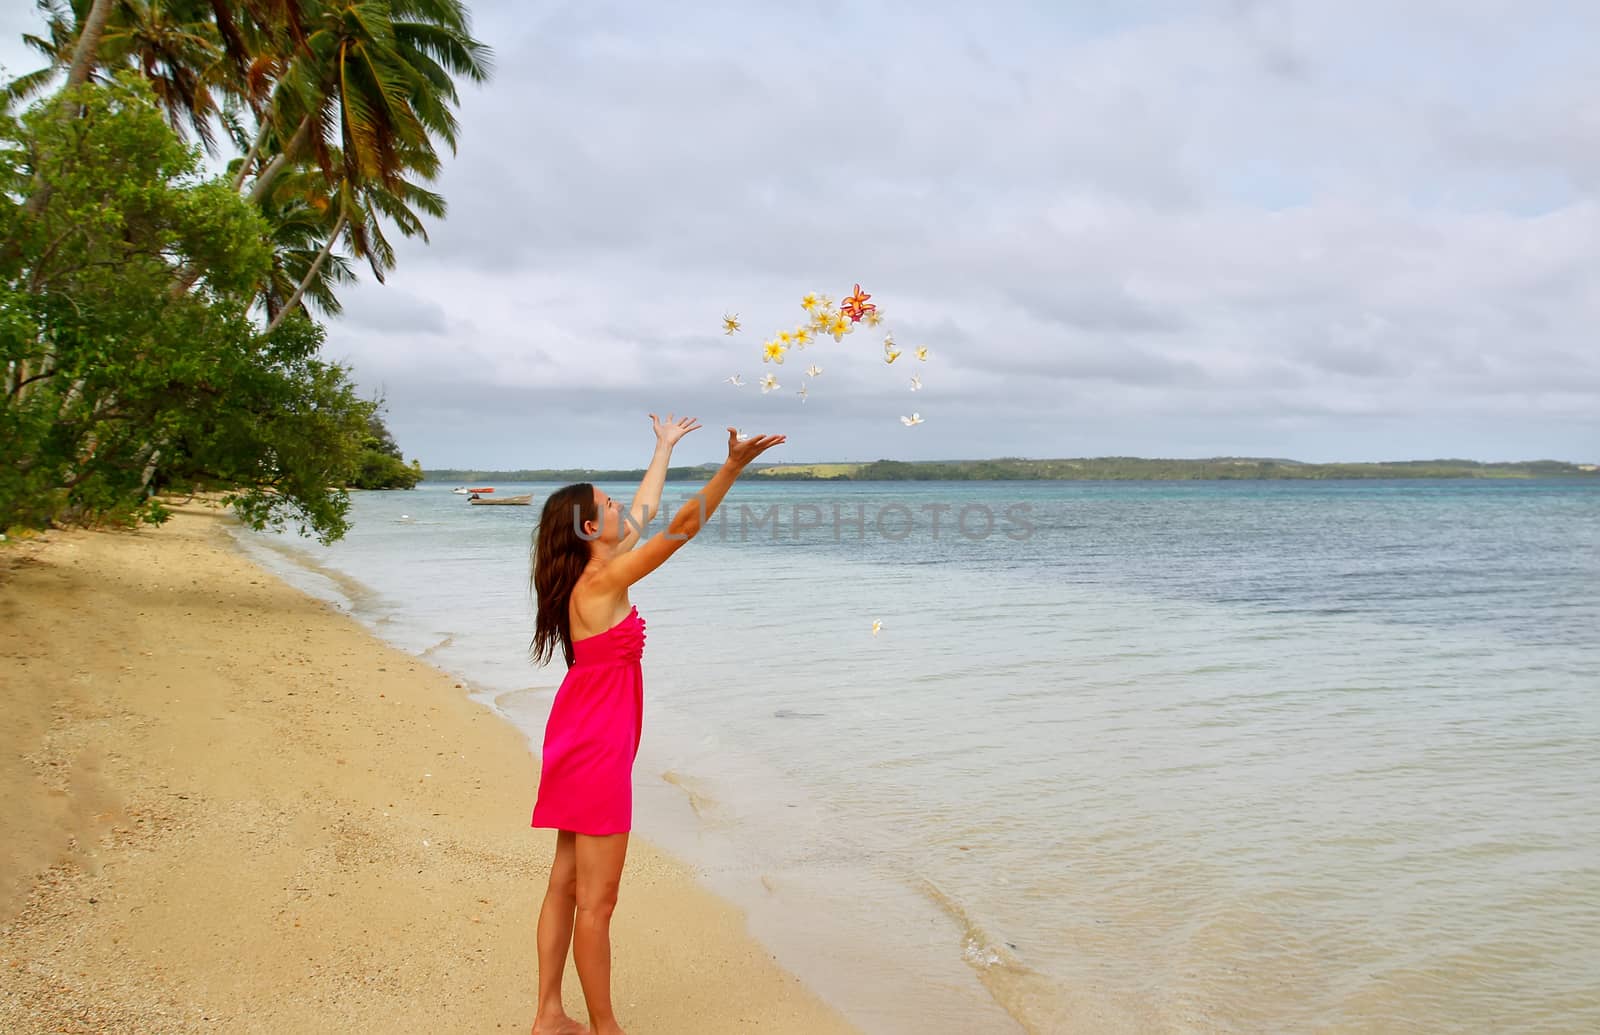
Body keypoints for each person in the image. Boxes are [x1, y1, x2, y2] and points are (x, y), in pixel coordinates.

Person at [526, 414, 786, 1035]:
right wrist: (729, 469)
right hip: (595, 750)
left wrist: (663, 448)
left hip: (578, 735)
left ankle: (548, 1015)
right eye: (611, 505)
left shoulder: (594, 572)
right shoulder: (604, 579)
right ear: (591, 528)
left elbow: (645, 513)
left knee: (566, 882)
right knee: (599, 901)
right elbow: (680, 528)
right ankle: (605, 1028)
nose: (626, 508)